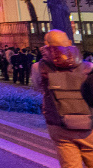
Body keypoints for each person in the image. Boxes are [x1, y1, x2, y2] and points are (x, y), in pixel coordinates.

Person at [32, 30, 93, 168]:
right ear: (70, 43)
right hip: (89, 126)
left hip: (59, 125)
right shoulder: (89, 67)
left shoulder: (38, 68)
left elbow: (38, 88)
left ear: (46, 45)